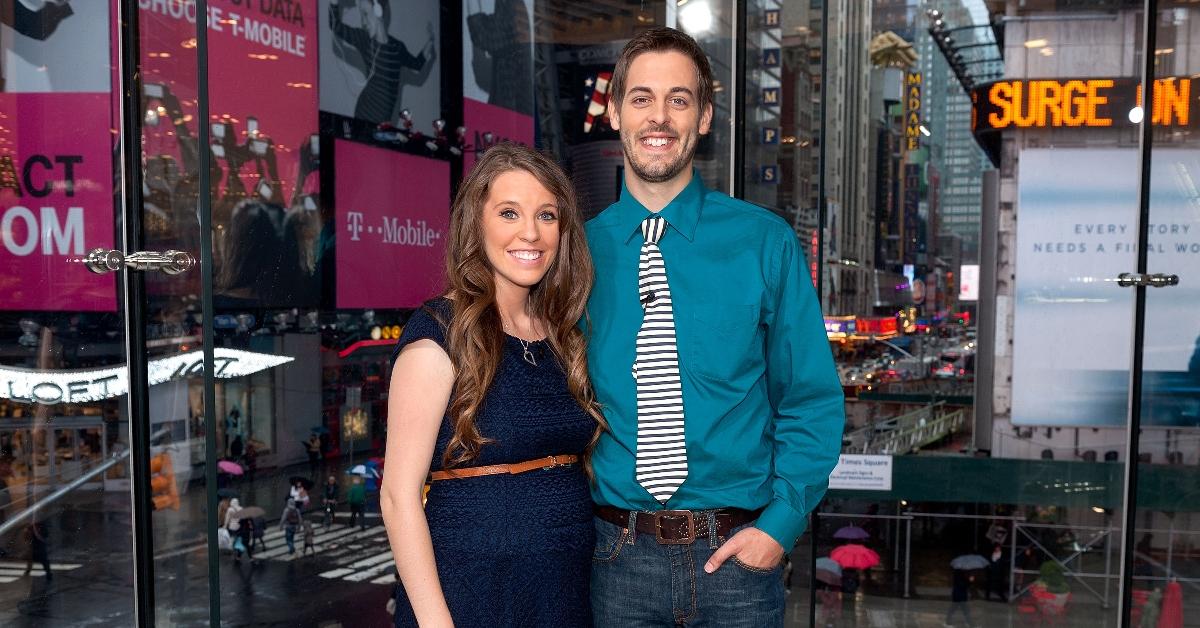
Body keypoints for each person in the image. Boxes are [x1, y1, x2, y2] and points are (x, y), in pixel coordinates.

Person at [584, 27, 844, 626]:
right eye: (642, 97)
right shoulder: (577, 251)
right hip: (613, 561)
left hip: (738, 563)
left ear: (703, 118)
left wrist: (778, 528)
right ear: (616, 111)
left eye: (679, 99)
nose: (659, 116)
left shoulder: (764, 242)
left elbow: (810, 401)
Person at [381, 143, 601, 627]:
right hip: (471, 592)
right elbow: (398, 496)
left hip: (562, 592)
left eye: (547, 215)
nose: (531, 232)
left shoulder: (562, 333)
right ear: (475, 224)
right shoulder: (440, 333)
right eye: (509, 212)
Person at [328, 0, 436, 124]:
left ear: (378, 11)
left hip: (384, 121)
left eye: (365, 14)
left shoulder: (397, 47)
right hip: (364, 115)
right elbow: (335, 25)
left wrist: (431, 41)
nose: (363, 22)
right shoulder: (364, 40)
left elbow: (417, 65)